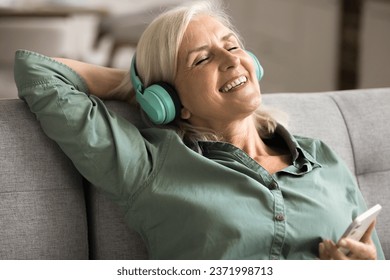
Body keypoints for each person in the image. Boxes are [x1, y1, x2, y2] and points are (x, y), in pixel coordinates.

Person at [14, 0, 384, 260]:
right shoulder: (149, 167)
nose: (231, 60)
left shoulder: (322, 159)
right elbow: (36, 71)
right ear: (172, 98)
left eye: (233, 45)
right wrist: (139, 88)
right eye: (202, 59)